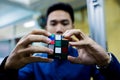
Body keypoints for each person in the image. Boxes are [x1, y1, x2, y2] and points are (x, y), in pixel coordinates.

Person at [0, 2, 120, 80]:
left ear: (72, 27)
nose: (59, 29)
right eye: (53, 23)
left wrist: (106, 62)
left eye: (64, 23)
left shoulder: (86, 58)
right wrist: (7, 69)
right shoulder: (34, 60)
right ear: (46, 28)